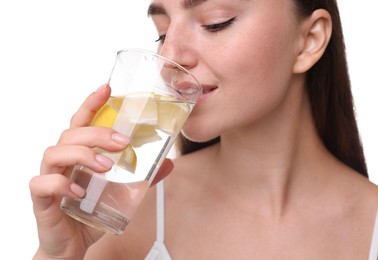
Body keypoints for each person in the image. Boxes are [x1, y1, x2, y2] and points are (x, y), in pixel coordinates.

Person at [29, 0, 378, 259]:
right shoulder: (126, 209)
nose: (171, 54)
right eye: (162, 32)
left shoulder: (370, 224)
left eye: (215, 23)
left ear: (309, 40)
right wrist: (58, 255)